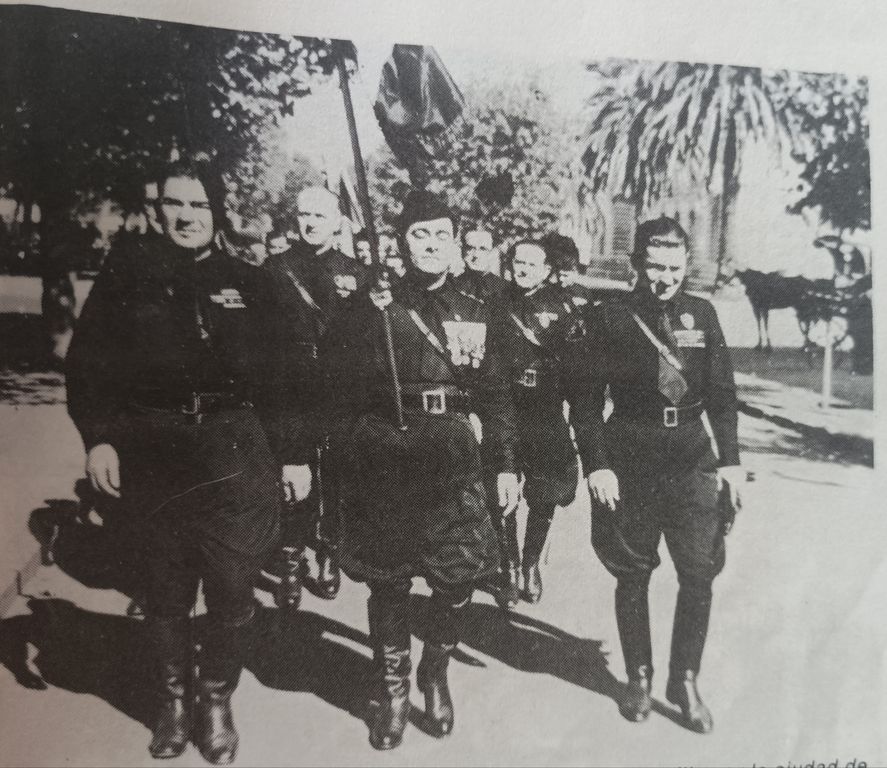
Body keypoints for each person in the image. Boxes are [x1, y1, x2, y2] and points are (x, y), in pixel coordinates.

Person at [66, 156, 313, 765]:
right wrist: (99, 437)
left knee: (233, 587)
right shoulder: (127, 277)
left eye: (199, 205)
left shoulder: (253, 281)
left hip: (234, 445)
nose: (186, 217)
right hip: (153, 447)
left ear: (217, 212)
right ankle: (172, 700)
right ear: (158, 211)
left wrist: (296, 454)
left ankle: (215, 696)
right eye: (174, 204)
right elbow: (88, 362)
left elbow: (291, 374)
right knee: (163, 586)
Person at [323, 189, 519, 750]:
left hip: (453, 451)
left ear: (455, 244)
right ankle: (391, 691)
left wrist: (505, 465)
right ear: (401, 244)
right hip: (386, 449)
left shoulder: (479, 306)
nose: (430, 246)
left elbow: (498, 393)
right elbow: (333, 367)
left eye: (440, 235)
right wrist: (366, 308)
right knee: (388, 579)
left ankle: (434, 669)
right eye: (418, 236)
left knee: (457, 579)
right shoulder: (374, 301)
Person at [570, 216, 744, 733]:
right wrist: (597, 464)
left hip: (692, 456)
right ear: (636, 266)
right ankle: (639, 676)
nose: (665, 278)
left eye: (674, 268)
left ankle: (684, 679)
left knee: (699, 571)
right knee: (634, 570)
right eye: (654, 267)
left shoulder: (702, 314)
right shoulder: (611, 317)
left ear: (686, 265)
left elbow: (722, 395)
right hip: (632, 455)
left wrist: (731, 462)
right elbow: (584, 402)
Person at [263, 185, 370, 603]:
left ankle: (328, 549)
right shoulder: (275, 268)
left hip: (340, 388)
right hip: (291, 385)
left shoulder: (357, 272)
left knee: (337, 474)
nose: (309, 223)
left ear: (338, 221)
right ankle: (291, 560)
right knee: (292, 473)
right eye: (303, 215)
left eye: (320, 216)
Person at [495, 239, 583, 608]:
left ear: (547, 270)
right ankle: (509, 564)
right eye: (518, 262)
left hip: (545, 411)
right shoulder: (496, 304)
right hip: (506, 407)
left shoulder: (563, 309)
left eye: (533, 264)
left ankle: (531, 561)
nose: (524, 269)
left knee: (544, 492)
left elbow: (577, 364)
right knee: (502, 487)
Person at [452, 225, 508, 305]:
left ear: (494, 253)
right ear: (462, 251)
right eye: (470, 248)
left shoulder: (505, 290)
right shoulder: (453, 285)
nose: (476, 255)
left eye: (483, 249)